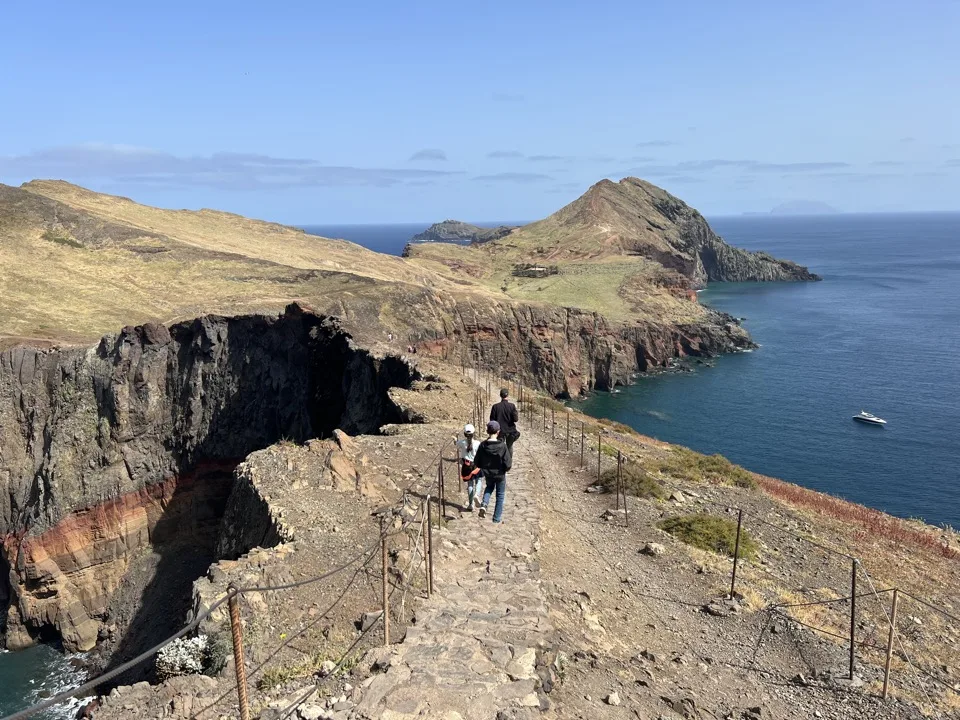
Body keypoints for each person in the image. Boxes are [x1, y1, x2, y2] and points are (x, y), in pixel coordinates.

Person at [473, 420, 512, 523]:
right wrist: (505, 469)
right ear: (498, 432)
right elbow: (508, 463)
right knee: (500, 495)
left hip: (488, 474)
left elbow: (477, 461)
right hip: (500, 474)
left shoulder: (483, 445)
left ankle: (484, 504)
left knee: (489, 488)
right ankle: (496, 518)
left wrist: (484, 467)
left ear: (487, 431)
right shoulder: (502, 446)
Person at [456, 423, 483, 512]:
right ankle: (477, 494)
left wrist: (455, 439)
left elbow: (456, 444)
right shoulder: (477, 443)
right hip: (476, 465)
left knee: (470, 484)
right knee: (479, 480)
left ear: (464, 434)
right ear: (473, 433)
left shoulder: (462, 443)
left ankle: (471, 504)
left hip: (466, 466)